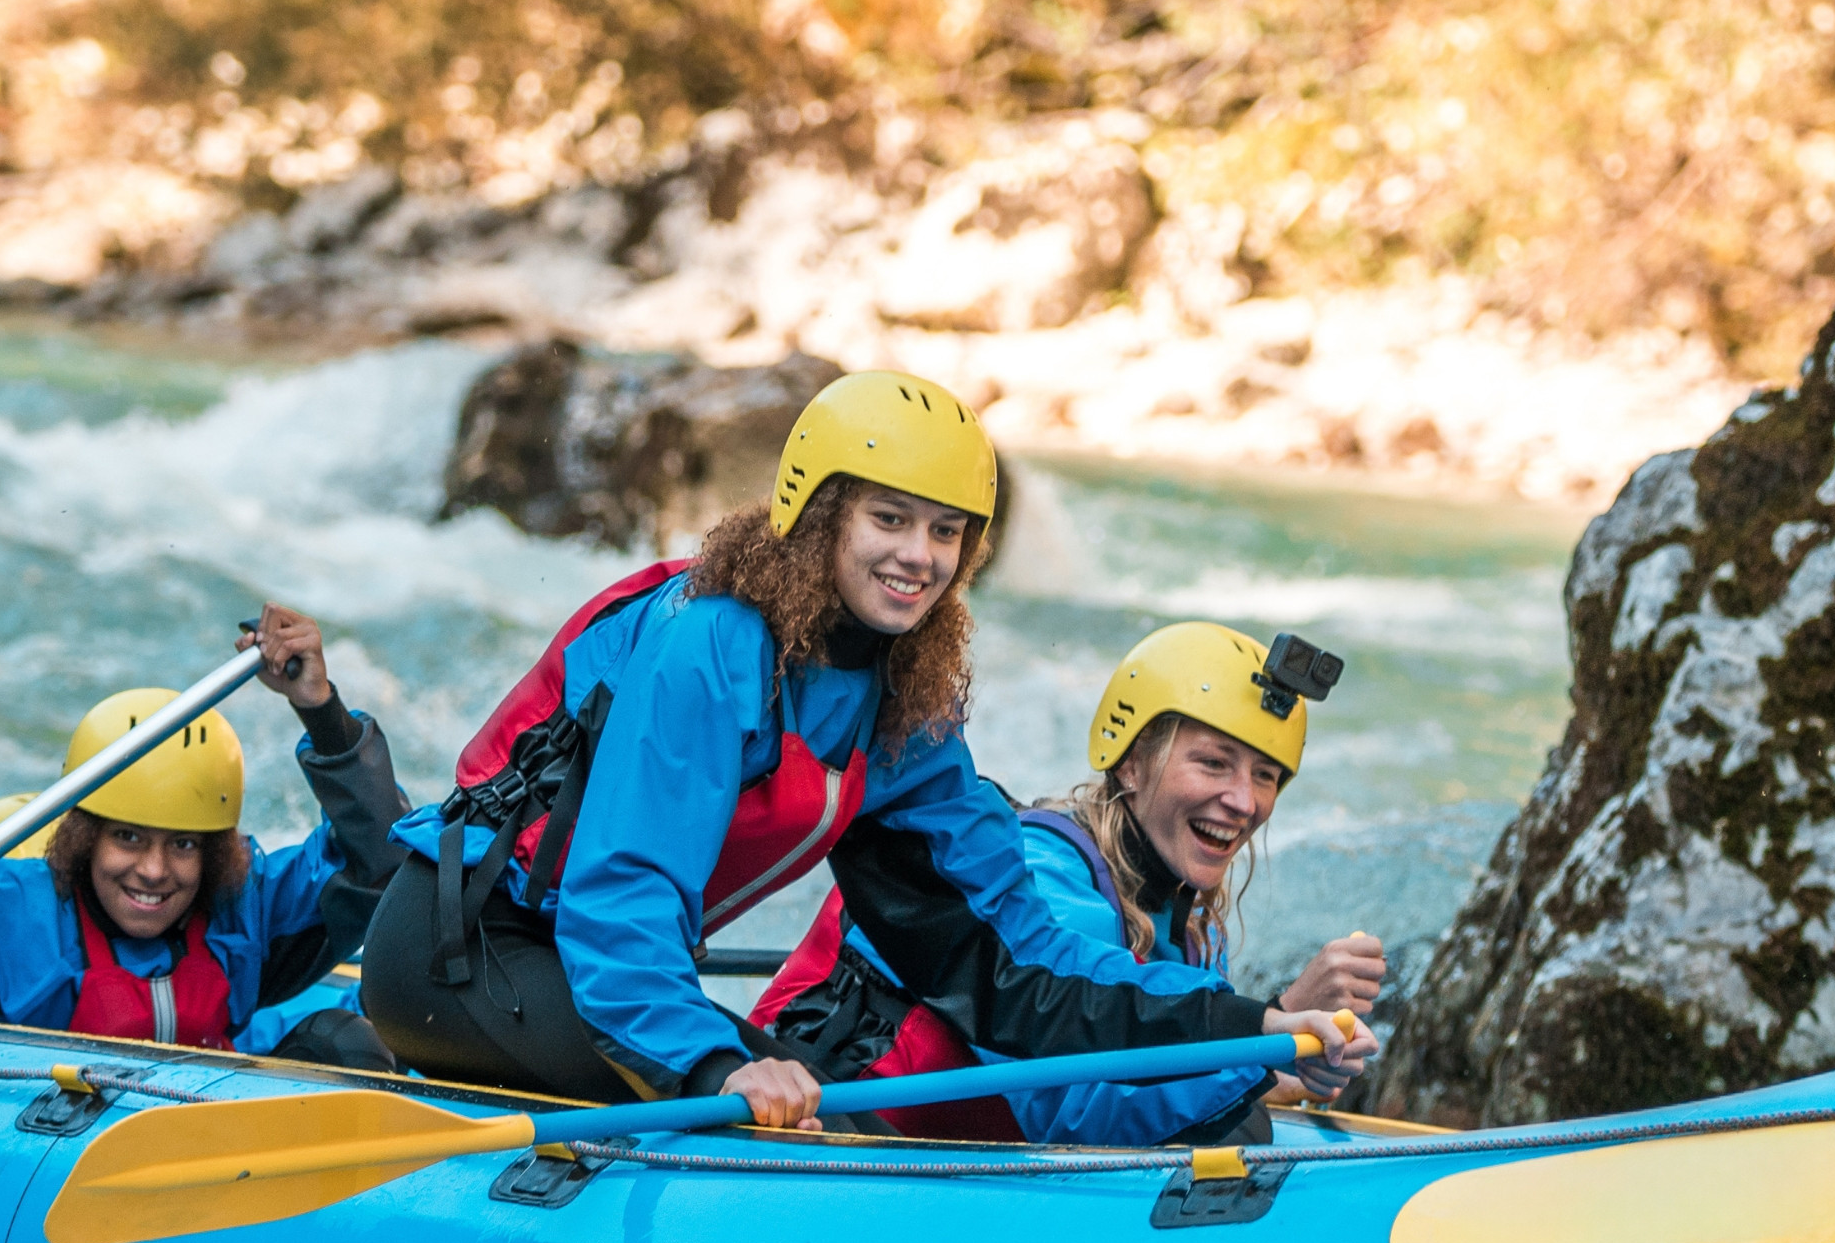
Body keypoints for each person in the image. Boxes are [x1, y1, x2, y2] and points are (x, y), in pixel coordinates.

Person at [355, 370, 1374, 1124]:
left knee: (811, 1119)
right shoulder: (711, 641)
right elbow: (621, 893)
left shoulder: (905, 706)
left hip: (588, 976)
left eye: (946, 532)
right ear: (818, 514)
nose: (917, 558)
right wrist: (714, 1067)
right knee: (756, 1124)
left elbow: (1018, 960)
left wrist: (1246, 1022)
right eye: (889, 519)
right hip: (466, 953)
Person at [755, 621, 1389, 1144]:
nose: (1243, 801)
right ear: (1134, 763)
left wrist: (1297, 1051)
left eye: (1266, 776)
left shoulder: (1184, 917)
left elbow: (1163, 1072)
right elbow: (1073, 1112)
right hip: (827, 1120)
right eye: (1214, 763)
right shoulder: (1045, 876)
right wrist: (1265, 1034)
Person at [0, 606, 407, 1056]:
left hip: (209, 1131)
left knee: (346, 1047)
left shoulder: (243, 904)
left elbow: (380, 859)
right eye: (129, 837)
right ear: (84, 837)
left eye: (184, 843)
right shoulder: (6, 908)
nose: (155, 871)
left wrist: (321, 710)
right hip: (38, 1146)